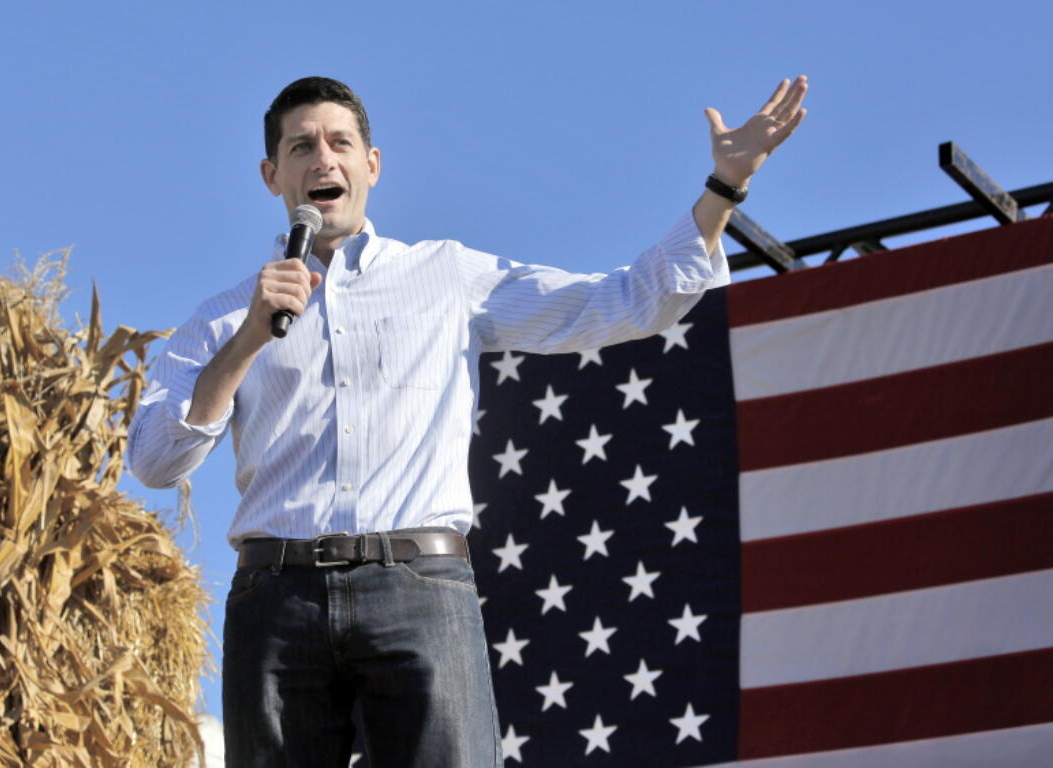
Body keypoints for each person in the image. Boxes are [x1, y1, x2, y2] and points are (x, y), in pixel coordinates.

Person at [128, 75, 808, 768]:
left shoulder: (446, 275)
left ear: (373, 164)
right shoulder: (225, 316)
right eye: (301, 146)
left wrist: (723, 187)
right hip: (277, 600)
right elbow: (155, 461)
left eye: (340, 142)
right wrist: (246, 343)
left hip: (417, 590)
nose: (323, 160)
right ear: (273, 176)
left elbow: (623, 303)